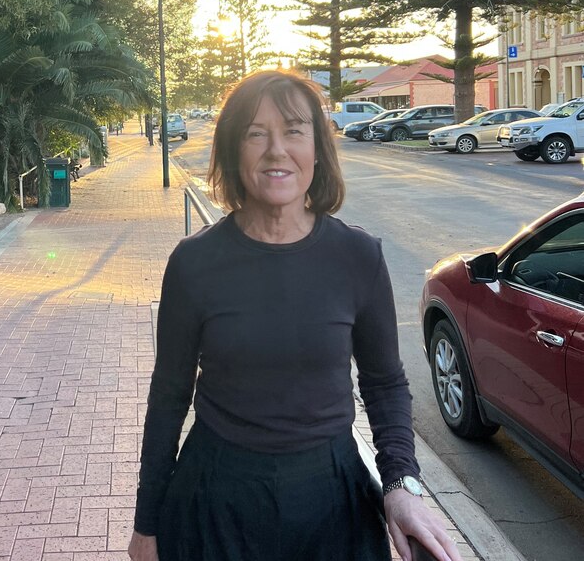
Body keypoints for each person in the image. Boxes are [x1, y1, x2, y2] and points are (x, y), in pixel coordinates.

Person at [128, 70, 463, 561]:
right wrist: (147, 522)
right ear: (232, 151)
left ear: (317, 151)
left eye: (293, 131)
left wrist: (401, 483)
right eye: (255, 133)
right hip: (215, 498)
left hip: (331, 499)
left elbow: (385, 383)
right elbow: (169, 395)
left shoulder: (358, 256)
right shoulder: (193, 263)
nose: (276, 150)